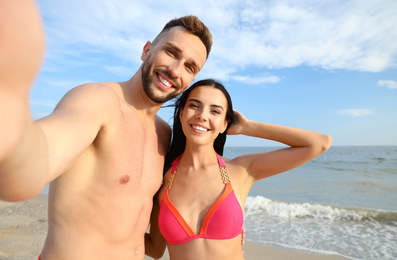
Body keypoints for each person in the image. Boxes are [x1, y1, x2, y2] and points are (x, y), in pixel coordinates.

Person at [0, 1, 213, 259]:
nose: (175, 70)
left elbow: (154, 246)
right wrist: (10, 111)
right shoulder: (97, 100)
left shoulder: (164, 134)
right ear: (147, 50)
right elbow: (39, 158)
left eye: (190, 67)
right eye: (171, 52)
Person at [144, 79, 332, 259]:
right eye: (195, 106)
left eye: (215, 111)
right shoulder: (163, 178)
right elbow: (155, 248)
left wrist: (247, 127)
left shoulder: (241, 169)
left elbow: (319, 144)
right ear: (182, 113)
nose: (202, 115)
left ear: (225, 124)